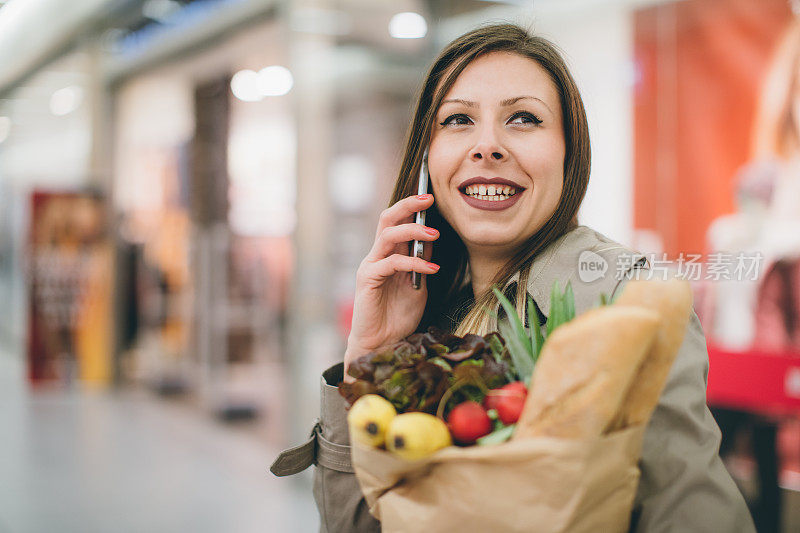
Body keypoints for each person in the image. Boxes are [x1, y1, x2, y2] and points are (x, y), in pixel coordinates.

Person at [272, 23, 755, 532]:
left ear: (570, 153)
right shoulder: (426, 311)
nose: (487, 146)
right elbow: (353, 525)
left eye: (523, 118)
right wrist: (366, 359)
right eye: (458, 120)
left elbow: (694, 511)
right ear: (426, 158)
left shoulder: (627, 298)